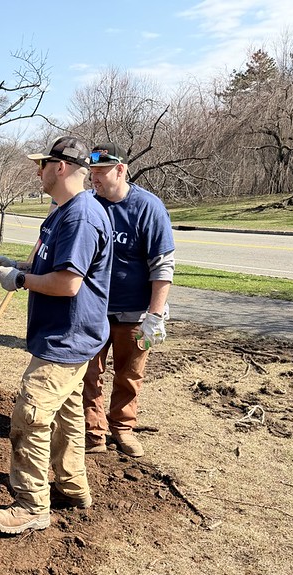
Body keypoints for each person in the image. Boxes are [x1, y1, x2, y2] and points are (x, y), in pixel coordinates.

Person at [0, 136, 113, 535]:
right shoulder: (62, 212)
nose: (37, 171)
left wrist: (20, 280)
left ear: (60, 167)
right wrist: (17, 266)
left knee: (31, 417)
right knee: (69, 418)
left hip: (66, 339)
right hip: (69, 336)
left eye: (42, 165)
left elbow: (68, 283)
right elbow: (51, 265)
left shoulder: (81, 217)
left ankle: (32, 505)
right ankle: (73, 488)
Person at [82, 142, 175, 458]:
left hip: (136, 315)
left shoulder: (148, 207)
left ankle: (122, 429)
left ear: (120, 170)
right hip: (92, 311)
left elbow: (162, 265)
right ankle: (93, 432)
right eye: (92, 171)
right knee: (88, 373)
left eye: (101, 171)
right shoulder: (89, 205)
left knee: (130, 374)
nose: (94, 177)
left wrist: (156, 315)